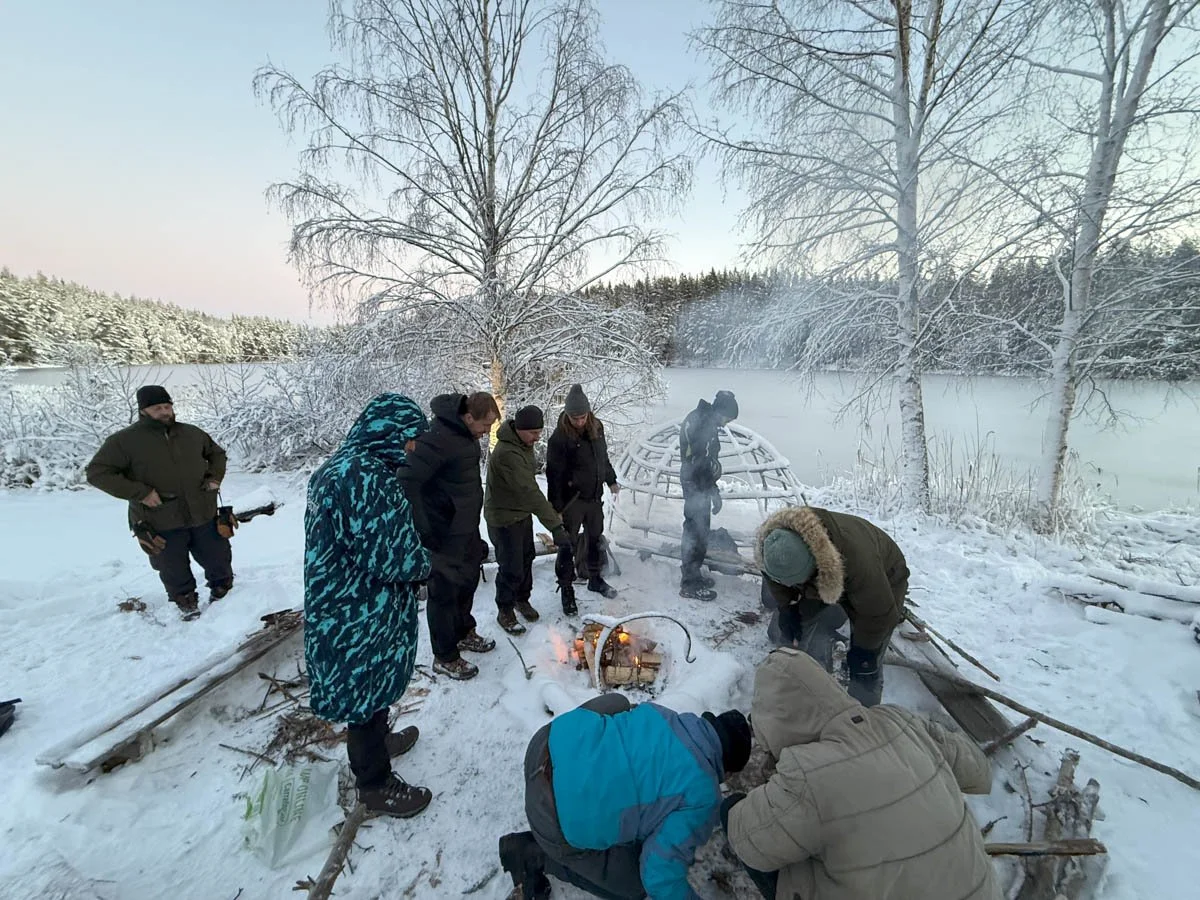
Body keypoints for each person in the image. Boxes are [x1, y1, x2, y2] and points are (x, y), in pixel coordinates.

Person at [722, 647, 999, 900]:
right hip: (980, 891)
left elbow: (749, 843)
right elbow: (979, 772)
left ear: (775, 718)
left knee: (733, 811)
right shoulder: (900, 720)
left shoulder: (809, 773)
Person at [303, 394, 433, 818]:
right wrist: (428, 565)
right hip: (360, 610)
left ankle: (378, 740)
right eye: (409, 439)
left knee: (368, 687)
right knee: (363, 687)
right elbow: (390, 555)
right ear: (388, 432)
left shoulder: (338, 468)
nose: (412, 448)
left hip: (343, 601)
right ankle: (374, 784)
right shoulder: (366, 477)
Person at [498, 695, 751, 900]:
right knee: (634, 886)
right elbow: (658, 875)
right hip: (550, 818)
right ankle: (534, 854)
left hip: (544, 744)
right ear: (727, 770)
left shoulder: (660, 713)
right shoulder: (704, 797)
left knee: (617, 703)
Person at [86, 385, 232, 621]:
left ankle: (223, 592)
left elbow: (217, 454)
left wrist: (214, 478)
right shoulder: (124, 441)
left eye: (167, 406)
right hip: (158, 517)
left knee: (218, 556)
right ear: (144, 411)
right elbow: (97, 473)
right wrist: (140, 492)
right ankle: (186, 603)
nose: (165, 412)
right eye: (157, 408)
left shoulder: (192, 433)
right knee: (172, 566)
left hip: (201, 510)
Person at [755, 505, 909, 707]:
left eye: (797, 583)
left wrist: (864, 653)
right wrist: (788, 608)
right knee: (785, 631)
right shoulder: (774, 548)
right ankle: (795, 683)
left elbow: (878, 615)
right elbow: (776, 581)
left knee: (866, 665)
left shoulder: (860, 562)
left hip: (883, 578)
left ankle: (863, 715)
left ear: (815, 566)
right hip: (825, 572)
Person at [398, 391, 499, 681]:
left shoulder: (466, 437)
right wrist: (425, 528)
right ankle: (445, 656)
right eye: (484, 425)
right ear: (468, 417)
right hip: (442, 534)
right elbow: (407, 480)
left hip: (464, 530)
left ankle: (464, 632)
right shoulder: (435, 440)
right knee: (443, 594)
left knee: (466, 583)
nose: (487, 432)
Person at [485, 405, 576, 633]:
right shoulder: (507, 453)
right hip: (503, 518)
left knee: (527, 557)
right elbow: (529, 491)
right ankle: (505, 610)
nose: (537, 438)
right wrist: (555, 526)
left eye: (539, 432)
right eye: (533, 433)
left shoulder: (522, 444)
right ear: (520, 429)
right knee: (511, 566)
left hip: (520, 514)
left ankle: (521, 599)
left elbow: (529, 488)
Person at [546, 384, 620, 600]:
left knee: (595, 539)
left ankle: (595, 579)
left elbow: (602, 458)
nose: (579, 421)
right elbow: (554, 475)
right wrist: (556, 507)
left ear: (588, 413)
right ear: (567, 414)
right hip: (572, 501)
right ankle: (566, 588)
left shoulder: (597, 428)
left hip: (594, 497)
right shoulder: (559, 439)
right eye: (574, 417)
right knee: (567, 544)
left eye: (582, 416)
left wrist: (611, 480)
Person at [677, 390, 738, 601]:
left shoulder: (707, 422)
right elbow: (698, 462)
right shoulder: (702, 424)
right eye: (727, 418)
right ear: (721, 411)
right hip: (694, 484)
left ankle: (694, 574)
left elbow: (707, 462)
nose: (726, 424)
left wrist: (713, 491)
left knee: (701, 533)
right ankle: (689, 583)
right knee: (694, 532)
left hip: (700, 484)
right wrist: (709, 489)